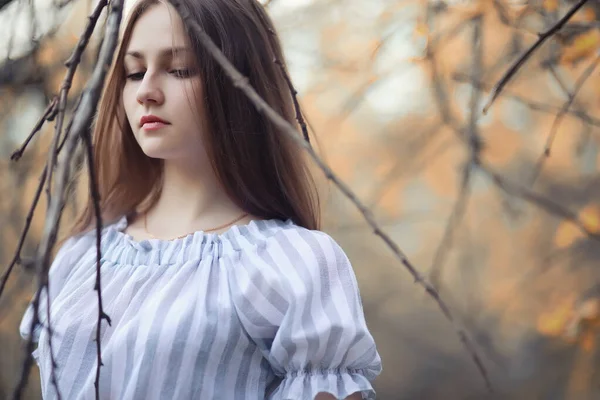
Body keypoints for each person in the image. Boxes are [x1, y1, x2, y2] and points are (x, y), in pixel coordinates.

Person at [20, 0, 382, 398]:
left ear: (239, 81)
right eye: (134, 71)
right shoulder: (83, 256)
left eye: (179, 70)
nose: (147, 92)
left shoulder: (290, 265)